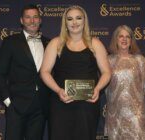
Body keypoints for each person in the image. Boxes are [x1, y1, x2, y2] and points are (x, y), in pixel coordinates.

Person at [40, 5, 111, 140]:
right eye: (70, 19)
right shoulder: (56, 43)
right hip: (61, 103)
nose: (74, 22)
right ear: (65, 22)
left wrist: (97, 89)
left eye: (78, 18)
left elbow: (107, 72)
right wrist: (58, 91)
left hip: (87, 104)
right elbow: (45, 72)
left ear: (84, 21)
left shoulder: (95, 43)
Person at [0, 4, 50, 140]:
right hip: (16, 106)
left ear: (40, 20)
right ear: (21, 20)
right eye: (28, 17)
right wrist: (8, 102)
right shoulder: (10, 42)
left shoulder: (49, 43)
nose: (32, 21)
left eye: (35, 17)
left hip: (41, 107)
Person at [104, 25, 145, 140]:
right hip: (115, 113)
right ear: (116, 39)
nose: (124, 39)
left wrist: (135, 104)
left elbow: (144, 86)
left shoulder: (140, 60)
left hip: (136, 114)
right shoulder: (108, 60)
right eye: (121, 36)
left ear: (131, 40)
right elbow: (105, 88)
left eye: (127, 37)